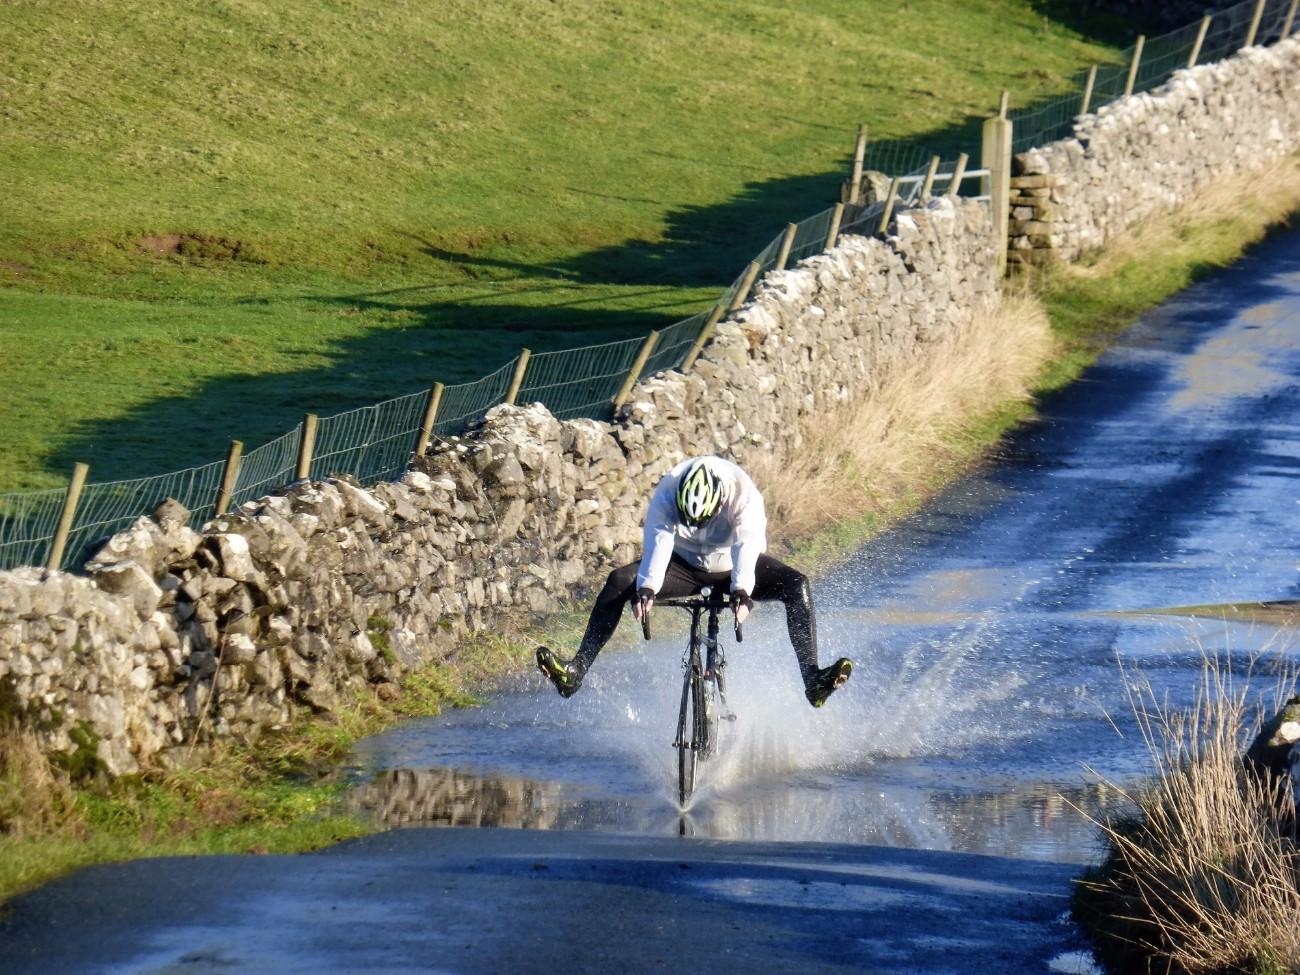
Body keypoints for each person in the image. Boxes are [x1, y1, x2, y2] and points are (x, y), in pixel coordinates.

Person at [536, 455, 853, 707]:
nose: (697, 527)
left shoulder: (744, 494)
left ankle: (812, 679)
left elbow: (747, 546)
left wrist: (742, 592)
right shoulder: (669, 488)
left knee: (797, 584)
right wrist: (647, 589)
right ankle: (575, 672)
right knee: (619, 581)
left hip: (732, 567)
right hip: (683, 566)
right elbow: (659, 542)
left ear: (720, 502)